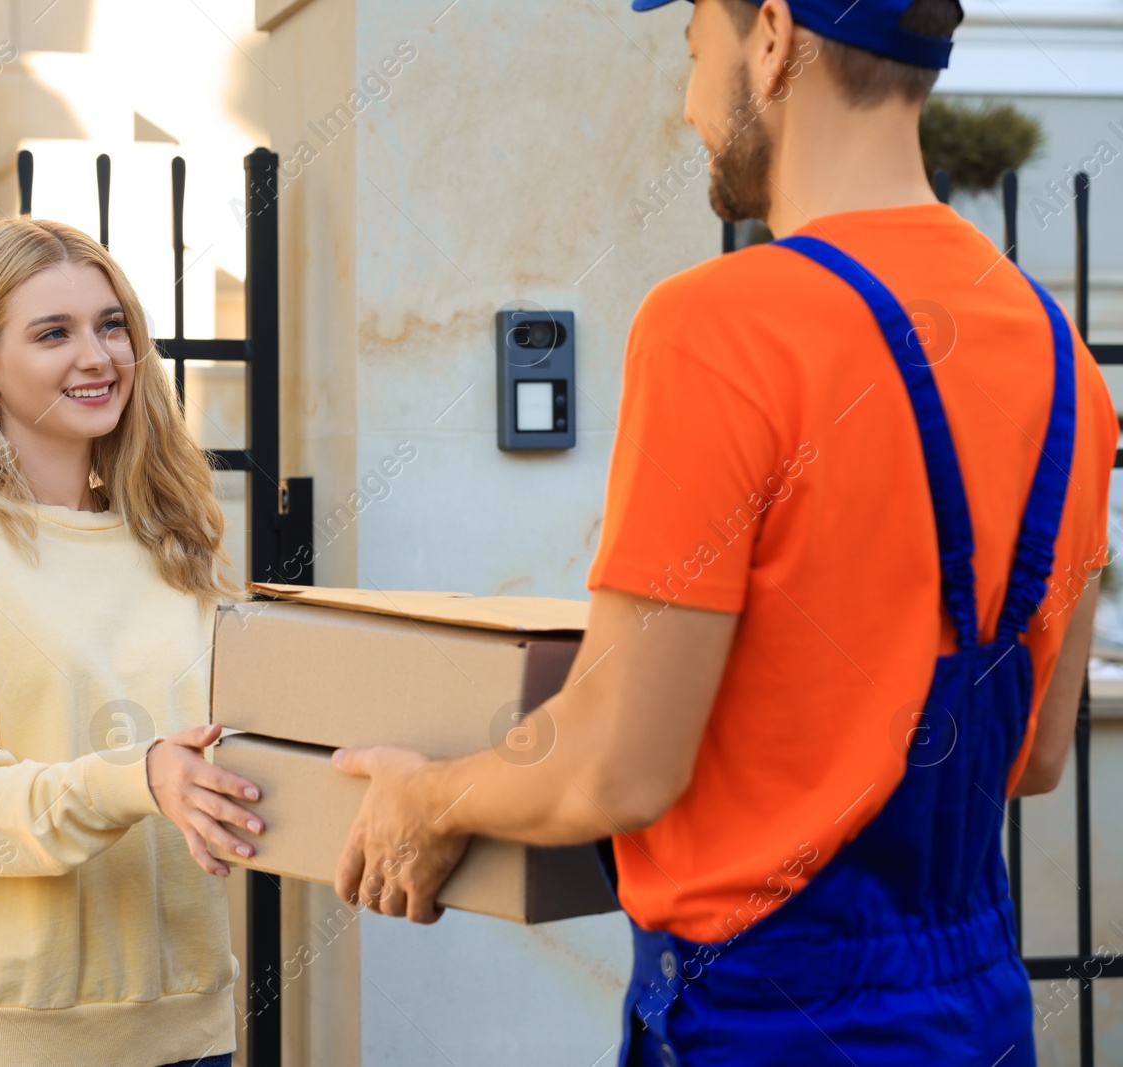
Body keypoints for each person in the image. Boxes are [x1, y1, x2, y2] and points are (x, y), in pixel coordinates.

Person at [329, 0, 1116, 1063]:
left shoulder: (722, 324)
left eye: (691, 45)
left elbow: (617, 767)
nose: (687, 100)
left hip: (767, 1018)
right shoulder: (1060, 355)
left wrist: (426, 795)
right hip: (974, 1011)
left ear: (774, 37)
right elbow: (1035, 752)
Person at [0, 215, 264, 1067]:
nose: (97, 356)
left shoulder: (169, 534)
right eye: (53, 332)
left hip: (186, 1030)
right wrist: (139, 775)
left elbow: (224, 759)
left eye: (112, 325)